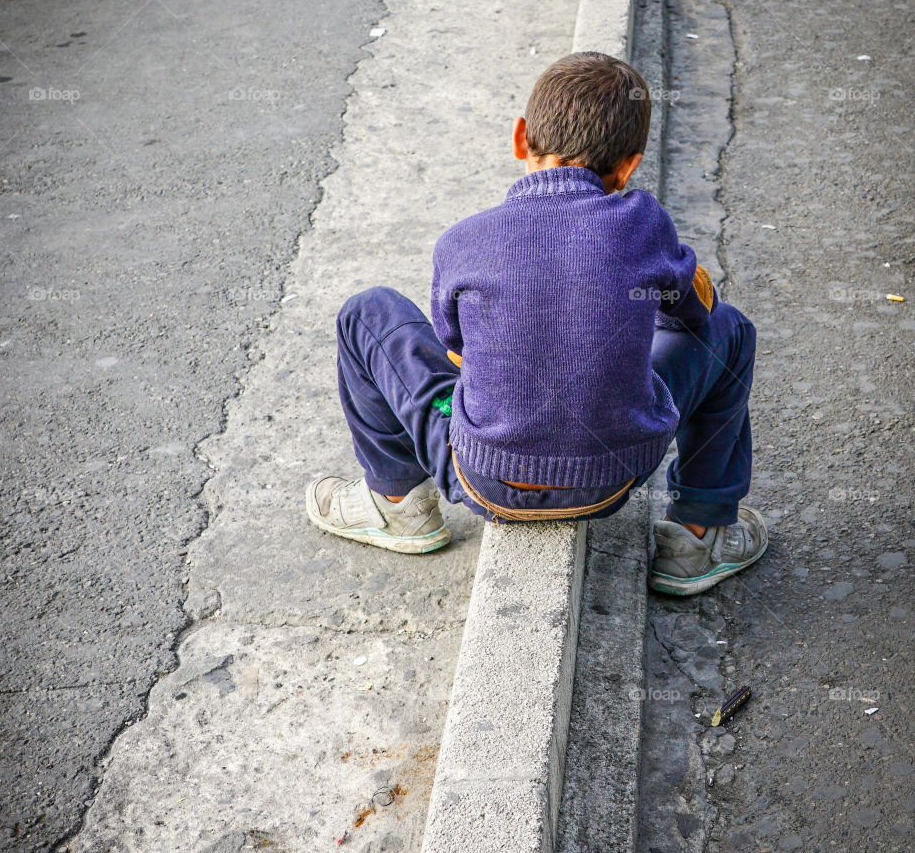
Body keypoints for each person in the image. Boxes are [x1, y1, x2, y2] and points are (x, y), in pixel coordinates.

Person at [305, 51, 767, 596]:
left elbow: (455, 351)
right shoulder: (642, 223)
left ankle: (398, 503)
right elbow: (693, 313)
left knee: (369, 311)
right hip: (614, 476)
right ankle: (697, 534)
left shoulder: (464, 240)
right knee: (730, 332)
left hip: (481, 477)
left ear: (521, 137)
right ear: (629, 166)